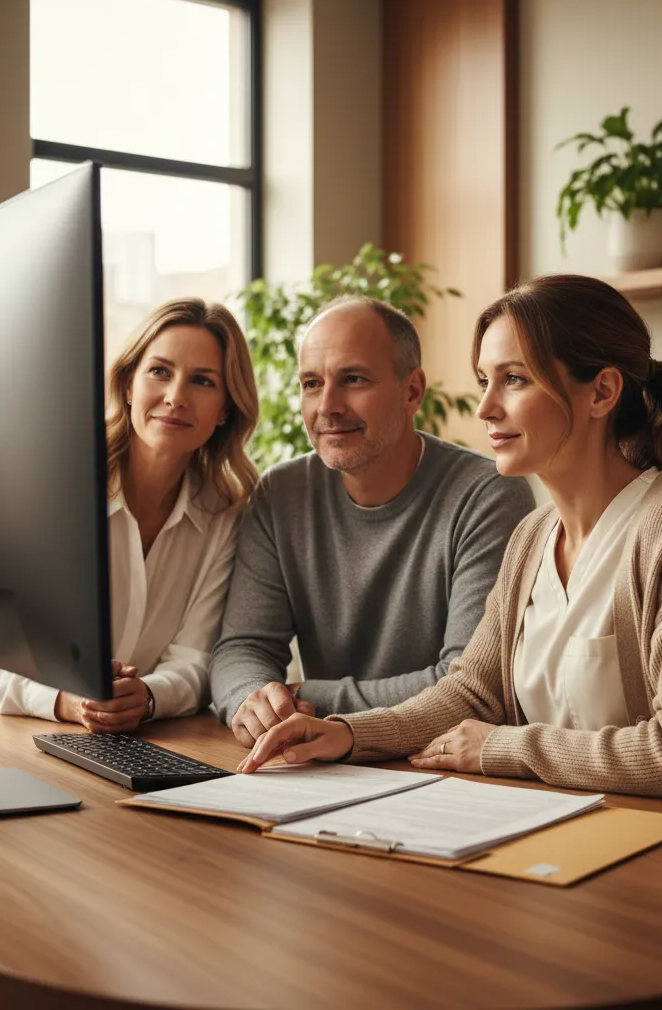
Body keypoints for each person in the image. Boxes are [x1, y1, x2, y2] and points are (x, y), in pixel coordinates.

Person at [237, 275, 662, 821]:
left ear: (602, 392)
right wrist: (348, 734)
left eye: (514, 379)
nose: (484, 408)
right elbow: (470, 694)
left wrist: (503, 747)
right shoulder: (533, 538)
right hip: (584, 828)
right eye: (485, 380)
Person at [210, 295, 537, 747]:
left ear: (412, 391)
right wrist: (254, 701)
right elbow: (242, 647)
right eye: (311, 384)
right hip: (322, 760)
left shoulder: (487, 494)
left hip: (445, 761)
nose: (328, 406)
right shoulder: (281, 493)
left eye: (353, 379)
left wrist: (305, 699)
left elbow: (466, 684)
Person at [0, 298, 259, 732]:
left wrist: (146, 696)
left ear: (225, 409)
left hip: (126, 738)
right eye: (159, 371)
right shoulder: (50, 483)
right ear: (128, 384)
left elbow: (196, 658)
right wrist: (67, 701)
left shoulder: (225, 515)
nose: (175, 397)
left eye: (202, 381)